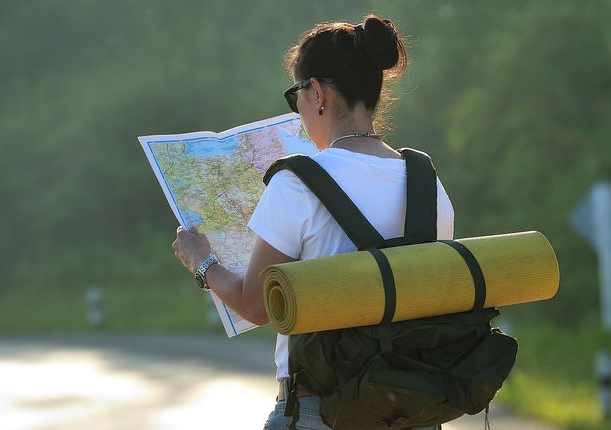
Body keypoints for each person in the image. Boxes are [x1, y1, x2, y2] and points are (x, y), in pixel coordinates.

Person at [172, 14, 455, 430]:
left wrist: (203, 264)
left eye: (296, 96)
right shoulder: (429, 186)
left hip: (320, 412)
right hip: (410, 411)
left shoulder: (296, 184)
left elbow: (256, 305)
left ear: (317, 92)